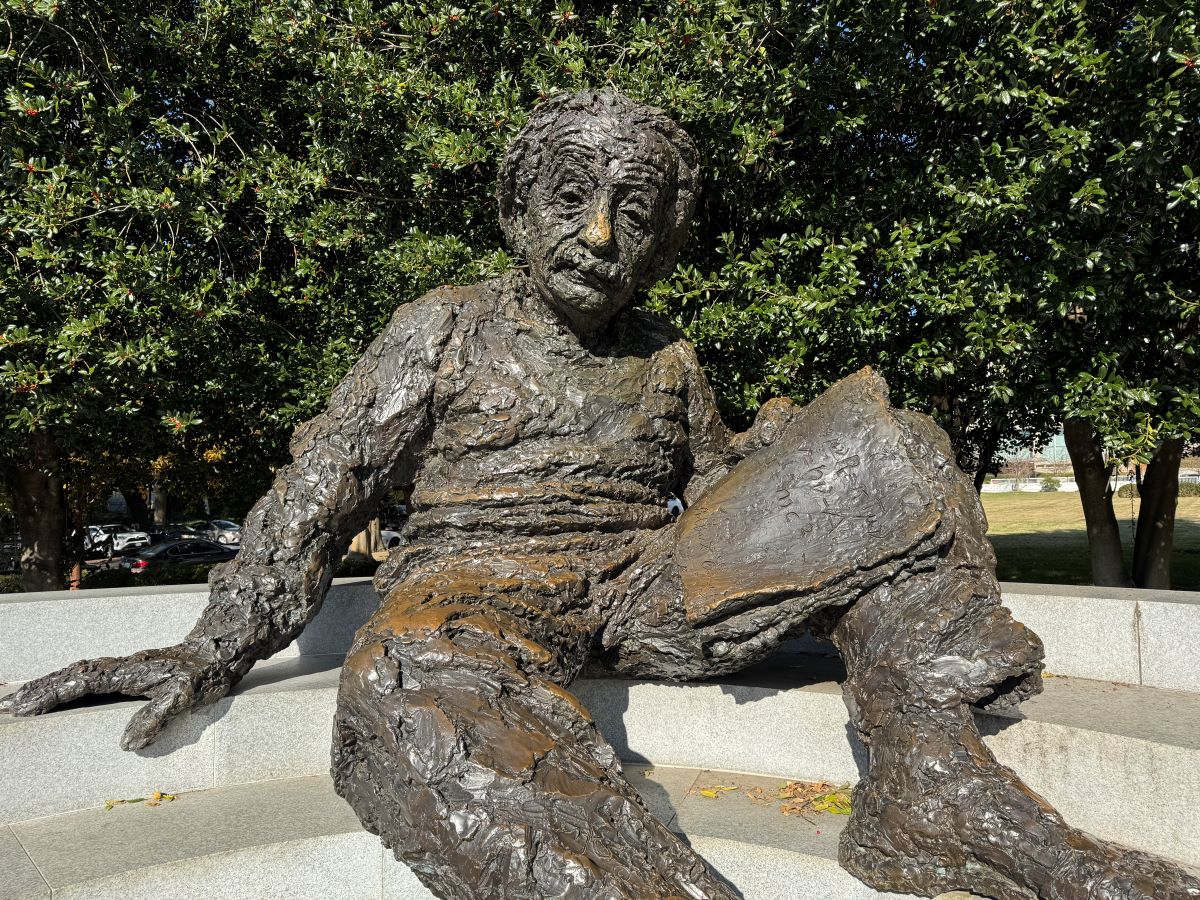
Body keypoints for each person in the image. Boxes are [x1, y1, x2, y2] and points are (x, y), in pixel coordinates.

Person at [3, 91, 1197, 900]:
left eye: (635, 212)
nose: (596, 234)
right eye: (572, 198)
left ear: (665, 237)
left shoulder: (669, 361)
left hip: (643, 584)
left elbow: (726, 497)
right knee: (402, 679)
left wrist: (790, 455)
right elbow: (317, 496)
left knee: (898, 457)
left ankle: (932, 794)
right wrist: (211, 650)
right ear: (518, 209)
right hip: (477, 593)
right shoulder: (443, 329)